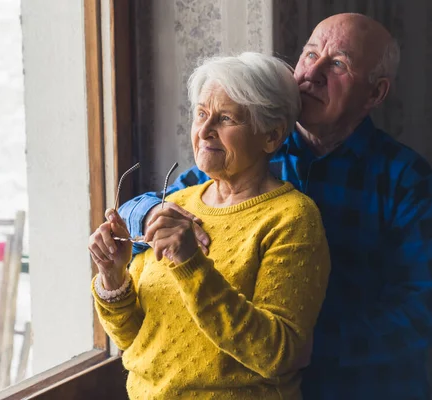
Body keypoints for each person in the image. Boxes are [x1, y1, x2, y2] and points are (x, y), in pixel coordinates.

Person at [118, 13, 432, 400]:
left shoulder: (404, 177)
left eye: (338, 64)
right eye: (309, 54)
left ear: (375, 93)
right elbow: (158, 210)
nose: (312, 73)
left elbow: (426, 310)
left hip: (361, 386)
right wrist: (144, 215)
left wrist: (309, 347)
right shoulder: (251, 147)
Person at [89, 53, 331, 399]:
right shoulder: (177, 204)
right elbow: (134, 339)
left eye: (226, 118)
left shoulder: (292, 218)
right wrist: (113, 279)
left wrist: (191, 265)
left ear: (271, 136)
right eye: (201, 114)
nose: (204, 130)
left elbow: (276, 354)